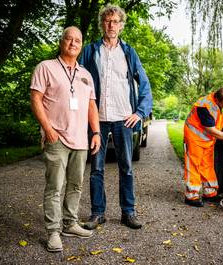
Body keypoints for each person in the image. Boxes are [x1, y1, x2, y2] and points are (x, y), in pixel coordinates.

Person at [79, 4, 152, 230]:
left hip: (123, 118)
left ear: (121, 26)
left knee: (126, 167)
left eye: (116, 21)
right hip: (97, 119)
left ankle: (128, 212)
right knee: (96, 169)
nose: (111, 25)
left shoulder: (129, 52)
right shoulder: (90, 51)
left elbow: (145, 85)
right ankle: (97, 213)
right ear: (102, 23)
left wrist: (139, 112)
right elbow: (77, 80)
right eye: (107, 21)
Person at [30, 26, 101, 252]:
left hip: (80, 139)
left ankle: (70, 223)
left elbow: (92, 106)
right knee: (55, 186)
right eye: (68, 39)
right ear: (61, 42)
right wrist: (47, 128)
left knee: (75, 185)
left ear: (81, 45)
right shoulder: (46, 67)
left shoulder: (85, 74)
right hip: (56, 137)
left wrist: (96, 132)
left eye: (77, 40)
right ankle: (53, 232)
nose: (73, 43)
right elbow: (36, 99)